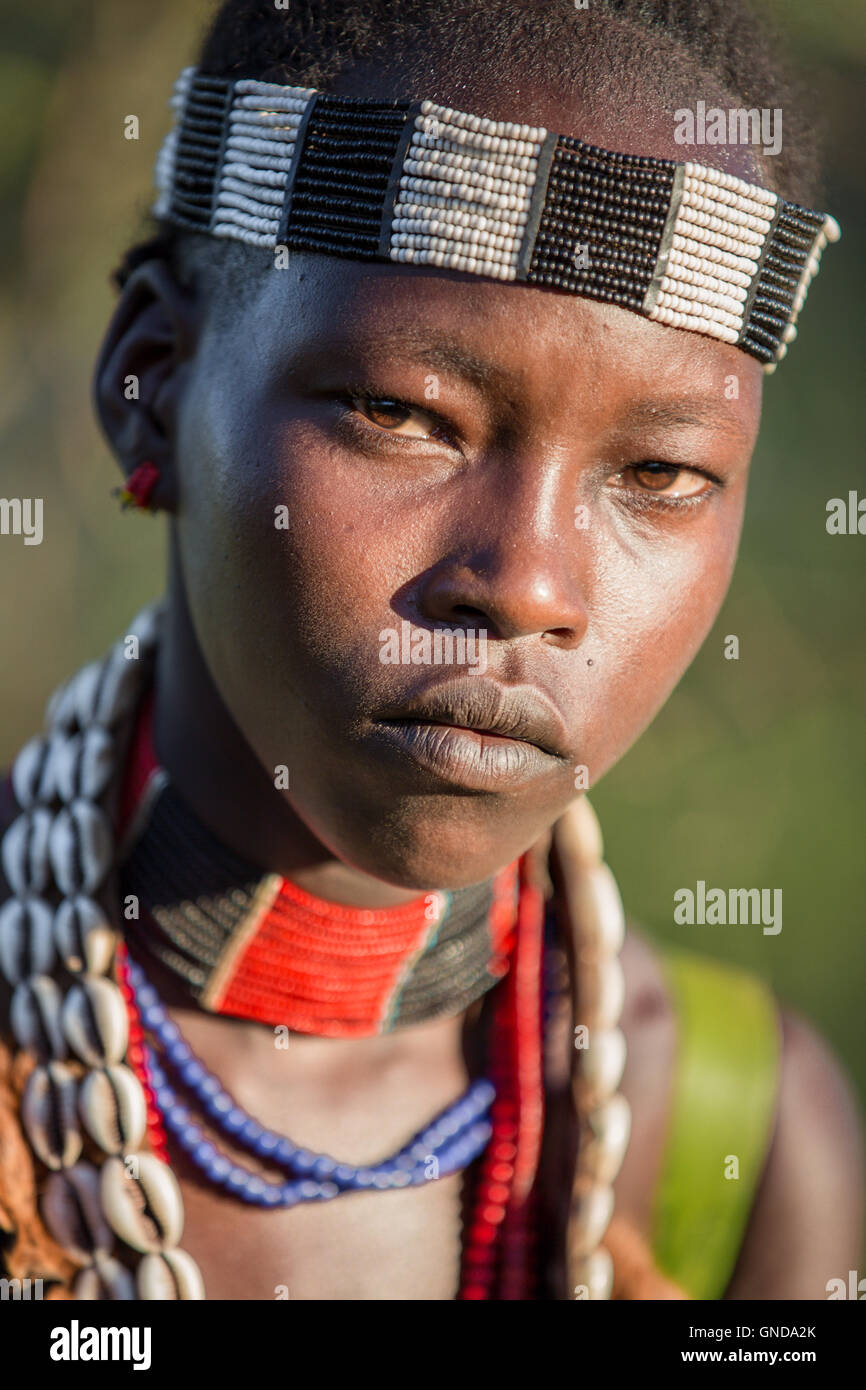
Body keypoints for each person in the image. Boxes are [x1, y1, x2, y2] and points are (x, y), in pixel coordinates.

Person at [0, 0, 862, 1302]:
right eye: (402, 412)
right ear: (151, 379)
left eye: (659, 473)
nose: (527, 583)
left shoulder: (731, 1130)